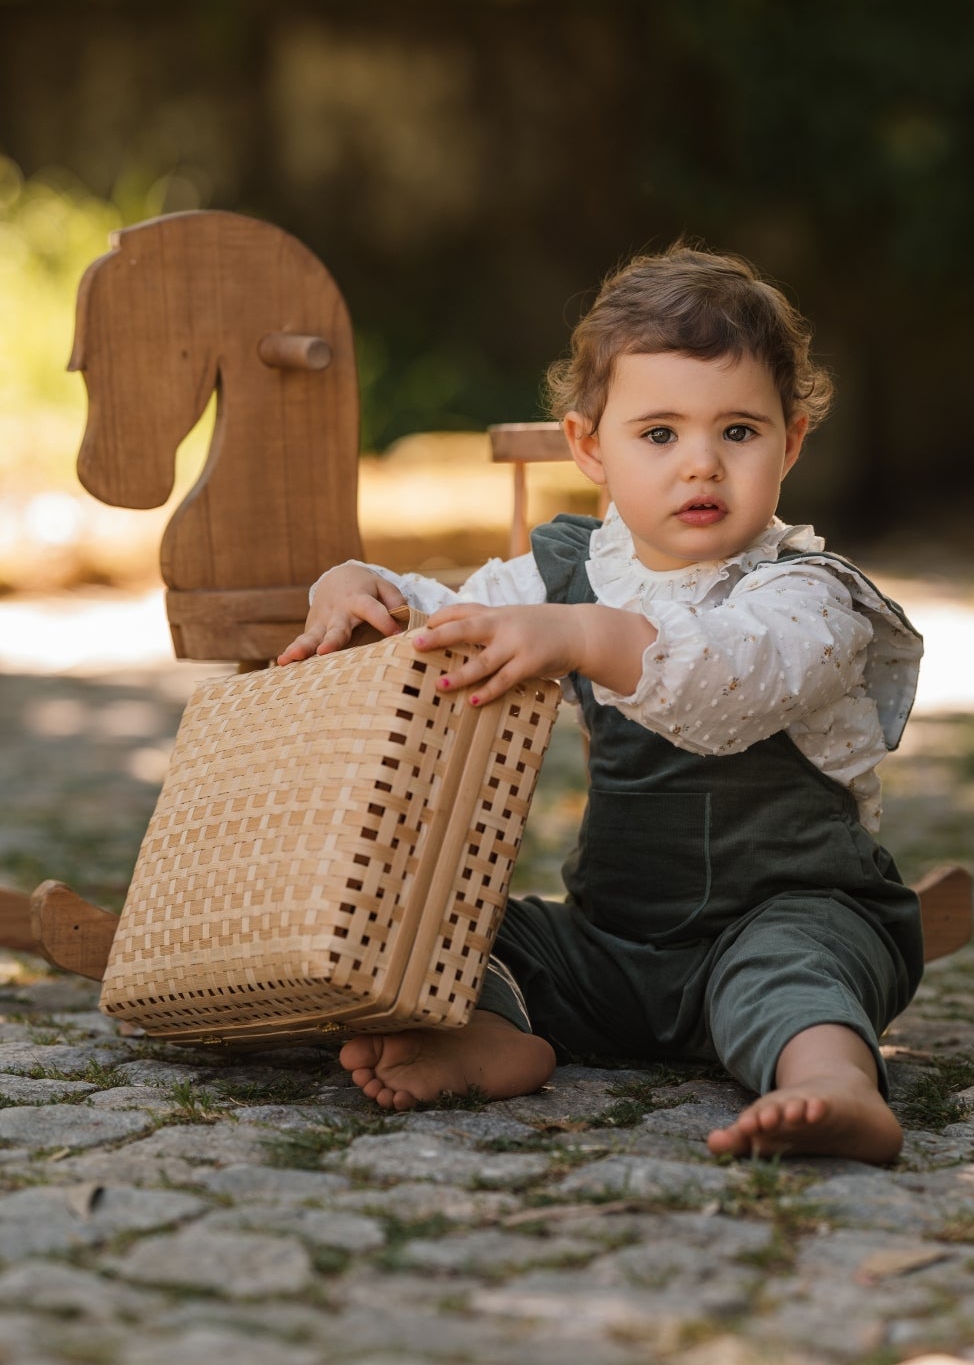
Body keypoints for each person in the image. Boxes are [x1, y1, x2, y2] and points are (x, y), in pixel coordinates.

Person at [279, 245, 925, 1163]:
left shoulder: (809, 593)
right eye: (659, 434)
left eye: (738, 432)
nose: (700, 465)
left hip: (787, 910)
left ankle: (832, 1084)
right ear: (590, 446)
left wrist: (581, 636)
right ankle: (501, 1033)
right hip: (617, 939)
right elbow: (448, 615)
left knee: (792, 972)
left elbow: (723, 683)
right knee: (469, 922)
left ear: (793, 438)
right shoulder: (571, 568)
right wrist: (361, 588)